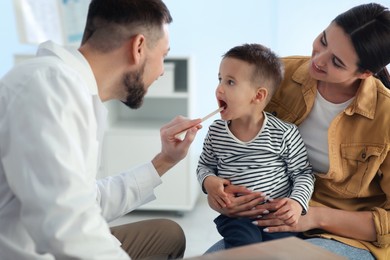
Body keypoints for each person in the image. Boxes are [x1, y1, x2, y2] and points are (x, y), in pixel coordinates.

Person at [0, 0, 203, 259]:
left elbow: (85, 200)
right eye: (163, 56)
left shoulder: (75, 90)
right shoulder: (49, 88)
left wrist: (164, 161)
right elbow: (68, 227)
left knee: (168, 234)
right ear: (138, 47)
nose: (162, 70)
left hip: (52, 237)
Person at [205, 3, 390, 260]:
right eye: (323, 40)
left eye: (336, 61)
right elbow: (231, 143)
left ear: (365, 73)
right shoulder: (279, 74)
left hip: (344, 234)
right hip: (269, 216)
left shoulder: (386, 116)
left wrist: (312, 216)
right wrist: (216, 191)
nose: (318, 59)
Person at [197, 43, 315, 249]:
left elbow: (303, 174)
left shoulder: (284, 133)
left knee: (282, 249)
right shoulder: (216, 131)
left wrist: (296, 203)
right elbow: (204, 166)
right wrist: (209, 182)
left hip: (276, 215)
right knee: (246, 247)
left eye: (230, 82)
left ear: (258, 96)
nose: (219, 88)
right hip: (237, 218)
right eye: (220, 79)